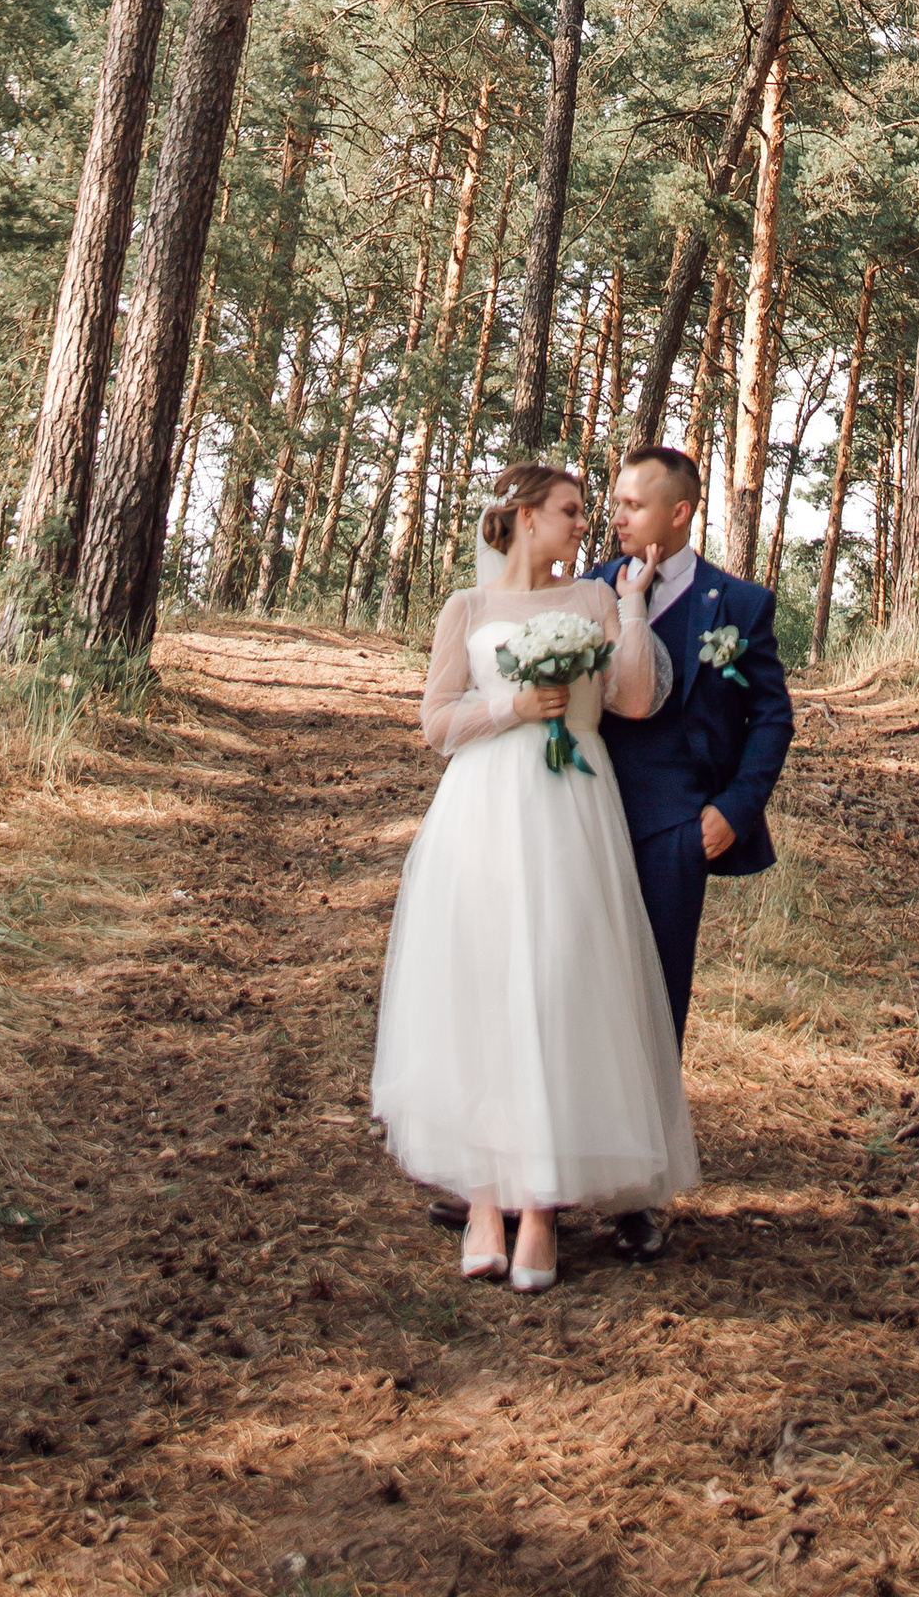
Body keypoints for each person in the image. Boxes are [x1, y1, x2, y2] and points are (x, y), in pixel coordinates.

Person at [370, 462, 698, 1290]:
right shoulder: (468, 610)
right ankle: (485, 1200)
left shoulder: (591, 600)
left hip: (572, 811)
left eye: (588, 512)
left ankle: (544, 1208)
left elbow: (630, 702)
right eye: (570, 511)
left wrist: (629, 605)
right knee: (483, 989)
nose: (584, 525)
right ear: (521, 517)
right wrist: (512, 708)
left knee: (558, 986)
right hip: (483, 810)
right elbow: (437, 722)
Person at [590, 443, 795, 1256]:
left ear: (679, 515)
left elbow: (772, 717)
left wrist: (734, 812)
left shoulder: (739, 604)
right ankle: (537, 1170)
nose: (617, 517)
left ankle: (637, 1188)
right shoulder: (592, 588)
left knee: (653, 1000)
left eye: (633, 506)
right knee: (569, 991)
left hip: (679, 827)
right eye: (613, 504)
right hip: (587, 813)